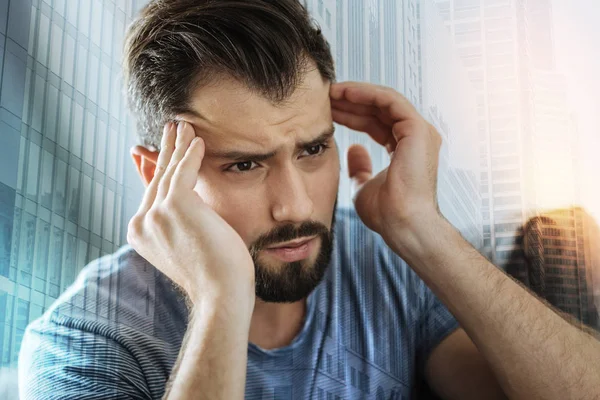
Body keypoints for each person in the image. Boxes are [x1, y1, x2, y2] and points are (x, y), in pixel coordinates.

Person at [18, 1, 600, 399]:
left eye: (313, 149)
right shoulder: (85, 340)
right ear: (158, 175)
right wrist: (221, 299)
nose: (295, 206)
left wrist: (422, 229)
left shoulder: (383, 268)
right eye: (245, 164)